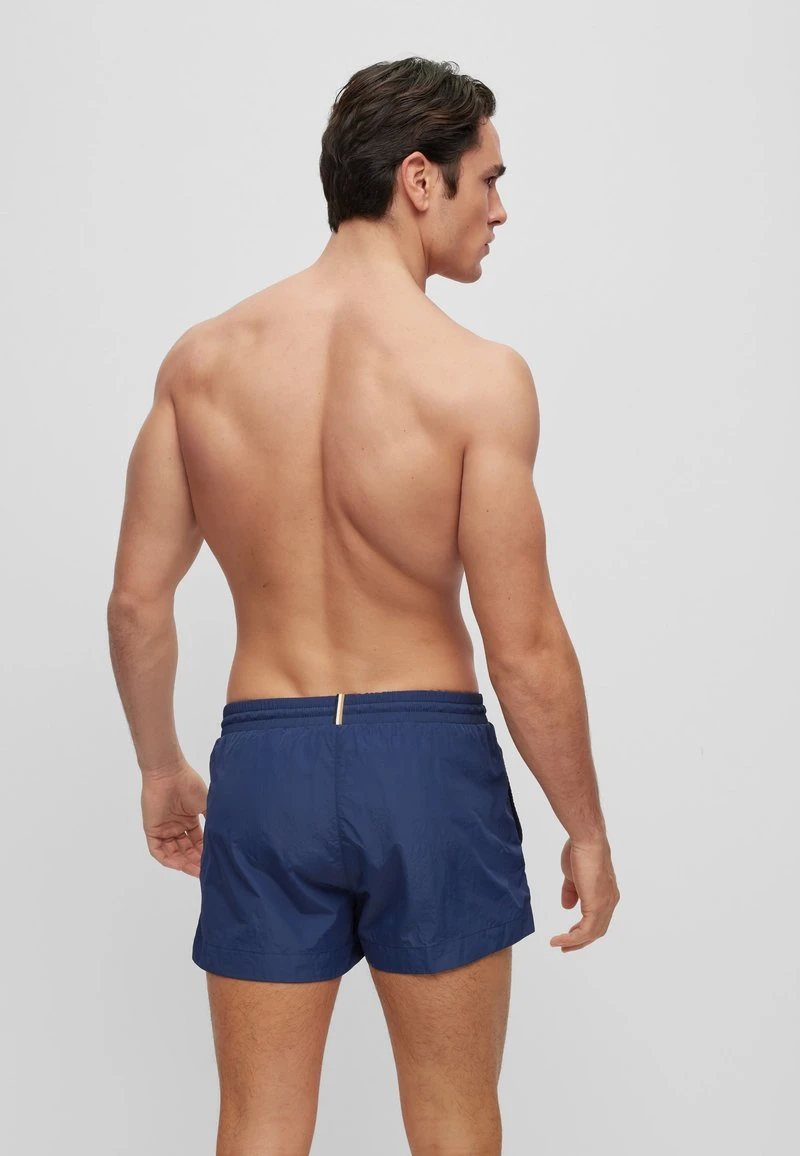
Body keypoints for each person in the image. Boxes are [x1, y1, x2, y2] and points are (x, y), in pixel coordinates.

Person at [107, 55, 620, 1156]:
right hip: (424, 764)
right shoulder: (476, 378)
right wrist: (583, 825)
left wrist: (160, 767)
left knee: (256, 1124)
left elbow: (138, 604)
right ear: (420, 180)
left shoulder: (202, 365)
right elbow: (524, 645)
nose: (499, 209)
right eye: (490, 178)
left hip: (267, 762)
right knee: (452, 1123)